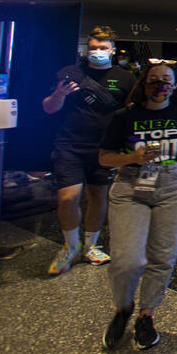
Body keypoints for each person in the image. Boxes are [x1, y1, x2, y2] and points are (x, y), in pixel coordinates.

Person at [98, 60, 177, 350]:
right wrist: (132, 158)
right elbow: (104, 157)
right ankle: (123, 307)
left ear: (175, 85)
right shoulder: (124, 117)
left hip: (173, 186)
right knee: (126, 260)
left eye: (166, 80)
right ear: (143, 83)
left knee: (163, 255)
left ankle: (147, 313)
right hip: (130, 186)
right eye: (154, 79)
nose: (160, 85)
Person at [41, 25, 136, 276]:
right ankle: (70, 246)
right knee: (68, 197)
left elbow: (131, 111)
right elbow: (49, 108)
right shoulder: (70, 73)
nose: (97, 52)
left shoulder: (126, 78)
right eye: (93, 47)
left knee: (98, 196)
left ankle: (90, 245)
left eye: (103, 48)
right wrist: (59, 94)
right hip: (69, 145)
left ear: (113, 51)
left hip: (104, 148)